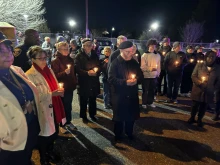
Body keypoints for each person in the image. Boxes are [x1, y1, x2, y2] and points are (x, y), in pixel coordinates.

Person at [0, 36, 40, 165]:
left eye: (9, 50)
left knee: (25, 157)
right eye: (1, 51)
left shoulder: (16, 70)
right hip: (8, 140)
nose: (8, 55)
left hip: (29, 129)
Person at [26, 46, 66, 165]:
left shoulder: (49, 70)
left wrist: (58, 92)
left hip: (54, 106)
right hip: (43, 109)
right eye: (40, 58)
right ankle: (43, 158)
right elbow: (34, 97)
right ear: (33, 59)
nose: (44, 61)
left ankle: (50, 151)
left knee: (54, 133)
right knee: (44, 136)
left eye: (45, 58)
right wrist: (51, 94)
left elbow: (54, 86)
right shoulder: (29, 75)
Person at [108, 41, 143, 142]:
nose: (131, 53)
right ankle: (118, 135)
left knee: (131, 116)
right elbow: (111, 79)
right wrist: (125, 82)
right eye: (128, 52)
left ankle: (129, 132)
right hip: (119, 95)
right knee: (119, 117)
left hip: (132, 94)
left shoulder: (134, 62)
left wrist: (137, 80)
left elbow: (141, 75)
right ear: (121, 51)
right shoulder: (115, 63)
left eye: (132, 51)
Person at [188, 51, 220, 127]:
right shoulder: (200, 65)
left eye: (213, 57)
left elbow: (218, 81)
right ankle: (192, 117)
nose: (211, 59)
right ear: (206, 57)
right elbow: (193, 75)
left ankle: (199, 119)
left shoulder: (217, 68)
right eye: (209, 57)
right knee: (195, 105)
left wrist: (213, 88)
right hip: (198, 89)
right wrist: (199, 82)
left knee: (204, 106)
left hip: (208, 91)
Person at [51, 42, 78, 130]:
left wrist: (74, 81)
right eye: (64, 49)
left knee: (68, 105)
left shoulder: (70, 59)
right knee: (63, 105)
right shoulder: (55, 61)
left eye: (67, 48)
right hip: (62, 87)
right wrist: (64, 73)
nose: (67, 50)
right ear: (59, 50)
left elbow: (73, 73)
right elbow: (54, 75)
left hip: (70, 86)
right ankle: (62, 123)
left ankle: (68, 121)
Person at [74, 38, 100, 123]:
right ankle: (83, 116)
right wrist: (87, 73)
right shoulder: (79, 56)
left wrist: (97, 71)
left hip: (93, 81)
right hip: (83, 81)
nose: (90, 47)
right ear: (83, 46)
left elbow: (98, 65)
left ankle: (92, 114)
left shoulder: (94, 55)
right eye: (88, 45)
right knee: (83, 100)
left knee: (93, 99)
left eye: (91, 45)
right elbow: (77, 69)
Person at [141, 39, 161, 109]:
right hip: (146, 76)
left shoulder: (157, 55)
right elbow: (142, 67)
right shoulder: (144, 55)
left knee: (152, 90)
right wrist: (150, 69)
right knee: (145, 90)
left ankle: (150, 102)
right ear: (148, 46)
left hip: (154, 76)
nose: (153, 47)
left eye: (154, 46)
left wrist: (158, 73)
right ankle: (144, 103)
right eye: (151, 45)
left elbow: (158, 65)